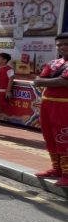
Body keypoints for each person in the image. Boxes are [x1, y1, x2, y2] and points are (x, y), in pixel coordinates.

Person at [35, 32, 68, 186]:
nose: (62, 48)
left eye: (65, 44)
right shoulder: (54, 63)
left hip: (64, 106)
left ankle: (67, 173)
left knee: (63, 138)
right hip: (47, 104)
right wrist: (45, 80)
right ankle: (57, 169)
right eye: (59, 45)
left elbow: (63, 82)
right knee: (49, 137)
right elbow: (40, 80)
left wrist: (45, 81)